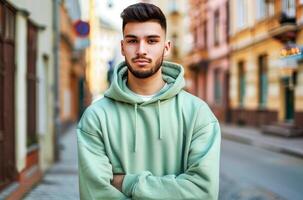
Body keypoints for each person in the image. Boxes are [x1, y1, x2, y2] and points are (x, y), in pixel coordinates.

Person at [77, 2, 221, 200]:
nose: (141, 50)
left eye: (152, 41)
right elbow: (96, 194)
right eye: (132, 41)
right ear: (122, 47)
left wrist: (126, 182)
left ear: (166, 47)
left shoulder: (198, 114)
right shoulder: (96, 118)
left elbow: (202, 192)